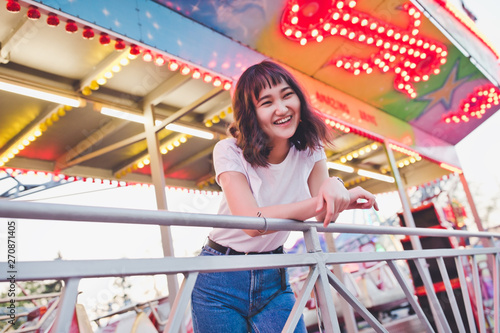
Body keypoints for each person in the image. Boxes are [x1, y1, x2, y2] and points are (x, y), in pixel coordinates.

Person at [191, 60, 378, 332]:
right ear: (251, 114)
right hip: (219, 278)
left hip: (273, 275)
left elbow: (323, 209)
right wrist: (324, 198)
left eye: (287, 95)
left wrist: (337, 189)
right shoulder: (229, 150)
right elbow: (250, 222)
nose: (281, 108)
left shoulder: (310, 149)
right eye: (266, 102)